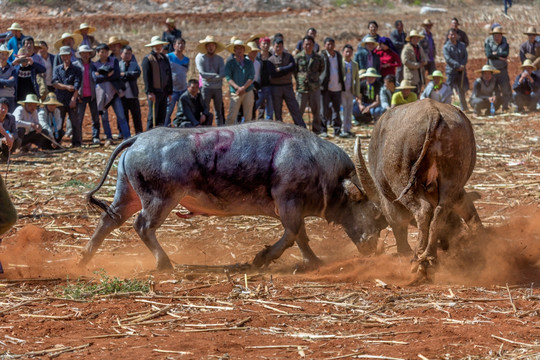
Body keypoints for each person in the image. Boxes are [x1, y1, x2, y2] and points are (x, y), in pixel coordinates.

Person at [93, 43, 131, 145]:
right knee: (104, 118)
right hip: (102, 95)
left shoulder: (113, 61)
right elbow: (95, 79)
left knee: (121, 115)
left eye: (105, 52)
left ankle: (127, 136)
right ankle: (109, 137)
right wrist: (108, 75)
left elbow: (116, 75)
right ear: (97, 53)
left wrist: (102, 75)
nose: (104, 54)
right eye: (101, 52)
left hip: (114, 93)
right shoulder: (95, 65)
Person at [267, 37, 304, 128]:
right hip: (275, 88)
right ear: (273, 47)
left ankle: (301, 128)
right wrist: (286, 71)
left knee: (294, 109)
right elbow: (273, 74)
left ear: (283, 47)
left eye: (280, 46)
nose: (279, 48)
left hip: (288, 87)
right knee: (278, 111)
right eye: (277, 46)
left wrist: (281, 69)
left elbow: (292, 67)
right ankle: (280, 130)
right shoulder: (270, 60)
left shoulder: (289, 56)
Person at [52, 46, 82, 147]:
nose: (65, 57)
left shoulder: (77, 69)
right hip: (60, 99)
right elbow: (54, 83)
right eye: (63, 56)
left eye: (67, 55)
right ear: (61, 57)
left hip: (72, 98)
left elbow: (77, 85)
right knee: (59, 122)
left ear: (70, 55)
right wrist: (66, 87)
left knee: (75, 122)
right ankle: (57, 142)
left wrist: (74, 98)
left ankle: (76, 142)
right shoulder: (57, 69)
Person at [294, 35, 324, 133]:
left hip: (314, 88)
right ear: (303, 45)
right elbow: (295, 71)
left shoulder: (318, 58)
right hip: (302, 88)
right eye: (306, 44)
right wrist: (301, 79)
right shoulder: (298, 57)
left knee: (316, 110)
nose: (308, 46)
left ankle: (316, 130)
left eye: (310, 44)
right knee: (299, 111)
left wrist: (313, 78)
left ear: (313, 45)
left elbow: (321, 69)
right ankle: (298, 130)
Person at [142, 36, 173, 129]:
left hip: (163, 92)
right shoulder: (148, 59)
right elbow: (146, 78)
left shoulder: (164, 58)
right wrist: (149, 92)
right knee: (152, 116)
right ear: (152, 46)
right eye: (156, 45)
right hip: (154, 92)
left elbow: (169, 74)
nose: (158, 47)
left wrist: (169, 91)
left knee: (162, 116)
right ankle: (149, 137)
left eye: (159, 45)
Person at [195, 35, 226, 126]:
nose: (211, 47)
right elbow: (202, 74)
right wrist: (216, 75)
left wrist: (211, 77)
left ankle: (219, 128)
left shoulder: (220, 59)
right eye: (209, 45)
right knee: (205, 110)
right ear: (206, 47)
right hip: (206, 87)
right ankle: (206, 128)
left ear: (215, 47)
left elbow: (223, 74)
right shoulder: (201, 58)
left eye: (212, 45)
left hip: (217, 88)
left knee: (218, 111)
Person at [74, 44, 100, 144]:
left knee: (95, 117)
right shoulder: (76, 65)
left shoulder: (93, 66)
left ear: (90, 54)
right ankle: (78, 138)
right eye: (83, 53)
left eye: (87, 53)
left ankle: (96, 136)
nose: (85, 55)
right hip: (81, 96)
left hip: (93, 95)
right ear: (80, 54)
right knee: (79, 118)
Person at [224, 39, 254, 125]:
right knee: (231, 116)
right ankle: (227, 135)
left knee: (248, 117)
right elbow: (228, 78)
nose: (239, 50)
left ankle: (248, 135)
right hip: (235, 92)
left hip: (248, 91)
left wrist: (243, 88)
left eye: (241, 48)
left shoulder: (249, 63)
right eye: (237, 48)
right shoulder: (230, 63)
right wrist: (238, 88)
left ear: (244, 50)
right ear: (234, 50)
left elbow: (251, 77)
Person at [320, 37, 344, 137]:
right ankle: (323, 130)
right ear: (325, 45)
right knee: (324, 110)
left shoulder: (338, 55)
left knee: (336, 111)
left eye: (331, 44)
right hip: (325, 87)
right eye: (328, 44)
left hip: (337, 87)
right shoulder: (322, 56)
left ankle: (337, 130)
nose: (330, 46)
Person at [485, 26, 511, 112]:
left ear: (501, 35)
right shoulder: (489, 43)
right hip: (492, 70)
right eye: (495, 35)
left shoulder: (505, 44)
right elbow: (488, 55)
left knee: (505, 89)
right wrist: (499, 57)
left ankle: (505, 106)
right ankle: (493, 108)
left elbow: (505, 54)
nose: (496, 37)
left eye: (498, 35)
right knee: (493, 90)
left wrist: (495, 54)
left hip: (502, 70)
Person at [165, 38, 189, 127]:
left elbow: (185, 72)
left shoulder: (186, 60)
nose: (180, 45)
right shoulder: (168, 57)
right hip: (172, 90)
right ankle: (166, 127)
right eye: (178, 44)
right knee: (168, 111)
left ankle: (179, 127)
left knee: (182, 110)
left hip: (183, 89)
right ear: (174, 46)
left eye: (182, 44)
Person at [119, 45, 143, 135]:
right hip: (122, 95)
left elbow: (137, 74)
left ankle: (139, 133)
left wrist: (124, 74)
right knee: (123, 116)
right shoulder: (118, 65)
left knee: (136, 115)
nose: (128, 55)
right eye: (126, 53)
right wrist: (129, 75)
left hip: (133, 94)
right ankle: (124, 133)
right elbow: (117, 76)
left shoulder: (134, 64)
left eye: (129, 54)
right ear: (121, 54)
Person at [444, 28, 468, 111]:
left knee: (461, 89)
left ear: (457, 36)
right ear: (448, 36)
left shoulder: (462, 45)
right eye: (451, 34)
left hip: (461, 72)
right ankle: (447, 108)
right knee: (448, 90)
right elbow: (448, 59)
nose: (452, 36)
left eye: (454, 34)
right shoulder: (446, 47)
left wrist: (462, 65)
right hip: (451, 71)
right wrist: (458, 65)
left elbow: (465, 56)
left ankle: (464, 108)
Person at [340, 44, 360, 137]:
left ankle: (348, 129)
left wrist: (357, 92)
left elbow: (357, 79)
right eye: (346, 51)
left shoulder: (354, 65)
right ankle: (342, 129)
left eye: (350, 52)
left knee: (349, 110)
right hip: (342, 90)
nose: (348, 54)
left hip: (350, 90)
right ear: (343, 52)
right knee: (343, 109)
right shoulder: (340, 63)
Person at [401, 30, 427, 94]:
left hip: (419, 75)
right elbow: (405, 61)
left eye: (417, 38)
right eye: (414, 38)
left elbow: (424, 57)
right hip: (410, 76)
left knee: (418, 92)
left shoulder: (419, 48)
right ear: (410, 39)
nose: (415, 40)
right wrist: (417, 65)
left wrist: (424, 62)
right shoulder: (406, 48)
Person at [255, 37, 274, 120]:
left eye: (267, 44)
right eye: (264, 44)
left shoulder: (272, 57)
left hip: (270, 86)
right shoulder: (256, 58)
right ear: (260, 45)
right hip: (259, 87)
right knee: (254, 106)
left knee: (270, 109)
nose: (266, 46)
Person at [0, 45, 16, 112]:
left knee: (10, 118)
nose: (4, 57)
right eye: (2, 54)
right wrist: (6, 82)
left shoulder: (12, 69)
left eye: (6, 54)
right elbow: (9, 82)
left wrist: (1, 82)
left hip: (10, 98)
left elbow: (13, 82)